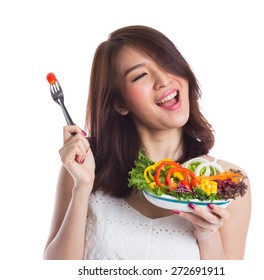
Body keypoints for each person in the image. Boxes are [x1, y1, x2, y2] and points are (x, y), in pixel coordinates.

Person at [43, 25, 251, 260]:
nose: (164, 80)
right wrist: (82, 187)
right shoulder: (83, 167)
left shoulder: (226, 182)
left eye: (166, 63)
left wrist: (207, 235)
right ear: (119, 103)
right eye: (141, 75)